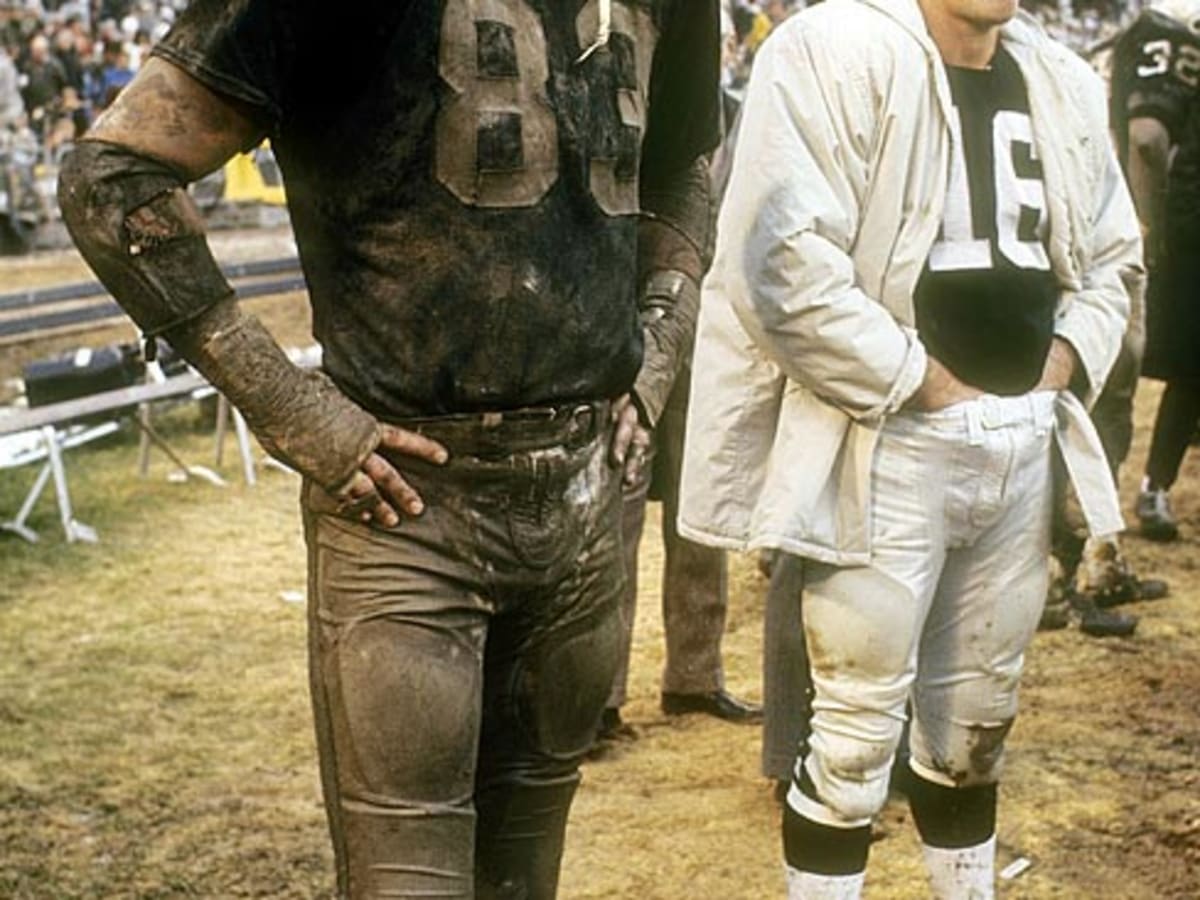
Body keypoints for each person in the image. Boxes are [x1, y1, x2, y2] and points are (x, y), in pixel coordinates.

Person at [57, 2, 720, 897]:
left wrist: (660, 343)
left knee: (525, 874)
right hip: (407, 508)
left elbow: (681, 163)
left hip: (579, 494)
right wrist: (291, 405)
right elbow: (114, 173)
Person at [678, 0, 1139, 896]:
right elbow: (780, 261)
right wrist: (919, 380)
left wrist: (1064, 359)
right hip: (883, 442)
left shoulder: (1061, 77)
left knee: (975, 736)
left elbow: (1116, 254)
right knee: (850, 748)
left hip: (1018, 440)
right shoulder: (833, 47)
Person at [598, 353, 762, 749]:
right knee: (617, 523)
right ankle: (600, 700)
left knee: (703, 511)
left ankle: (696, 679)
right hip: (633, 342)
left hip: (703, 343)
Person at [1110, 0, 1200, 543]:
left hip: (1164, 217)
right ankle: (1128, 502)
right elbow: (1147, 138)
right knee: (1176, 372)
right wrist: (1151, 228)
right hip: (1171, 224)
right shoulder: (1169, 35)